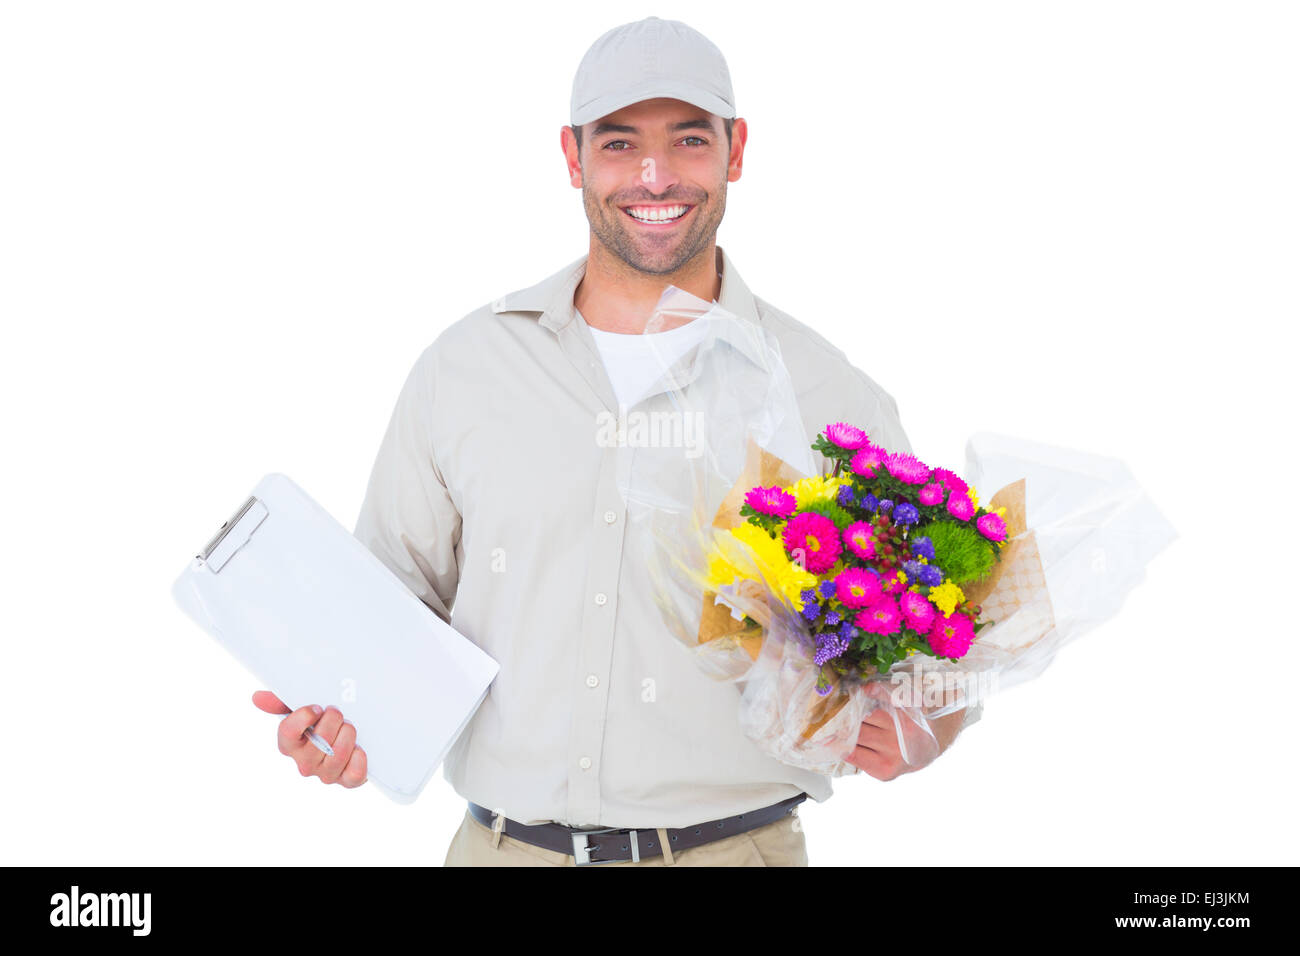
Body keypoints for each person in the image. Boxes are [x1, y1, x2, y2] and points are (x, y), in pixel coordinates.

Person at [251, 15, 979, 867]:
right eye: (620, 142)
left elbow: (942, 634)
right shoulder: (466, 369)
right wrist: (344, 718)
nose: (655, 175)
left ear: (737, 151)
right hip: (500, 851)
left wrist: (935, 723)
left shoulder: (825, 395)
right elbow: (388, 609)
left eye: (689, 140)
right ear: (572, 158)